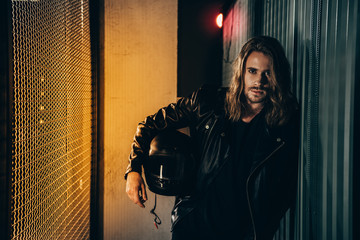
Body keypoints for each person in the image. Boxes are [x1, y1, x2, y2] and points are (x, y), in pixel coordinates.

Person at [125, 36, 300, 240]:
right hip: (192, 229)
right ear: (241, 72)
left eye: (267, 73)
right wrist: (133, 169)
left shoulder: (283, 125)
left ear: (277, 76)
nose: (259, 81)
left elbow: (286, 190)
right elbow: (149, 125)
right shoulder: (207, 102)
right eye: (252, 71)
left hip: (243, 234)